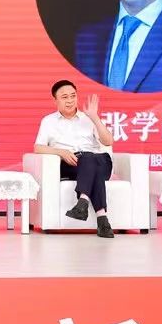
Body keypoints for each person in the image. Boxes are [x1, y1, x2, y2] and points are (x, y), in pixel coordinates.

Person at [33, 80, 118, 238]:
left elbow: (108, 141)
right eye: (64, 97)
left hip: (99, 161)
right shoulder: (48, 121)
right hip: (71, 164)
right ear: (55, 100)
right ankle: (102, 220)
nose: (70, 100)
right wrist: (60, 152)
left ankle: (83, 203)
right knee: (90, 162)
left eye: (73, 96)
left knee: (90, 157)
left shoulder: (88, 118)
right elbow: (38, 148)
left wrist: (95, 117)